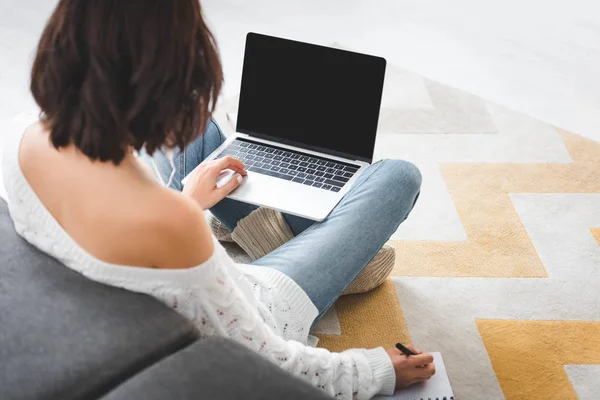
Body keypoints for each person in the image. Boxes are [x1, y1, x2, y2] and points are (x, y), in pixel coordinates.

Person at [2, 0, 434, 398]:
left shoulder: (21, 135)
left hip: (161, 250)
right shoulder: (173, 224)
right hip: (261, 297)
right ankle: (316, 255)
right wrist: (378, 371)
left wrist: (189, 201)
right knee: (397, 176)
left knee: (202, 138)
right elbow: (273, 359)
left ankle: (281, 235)